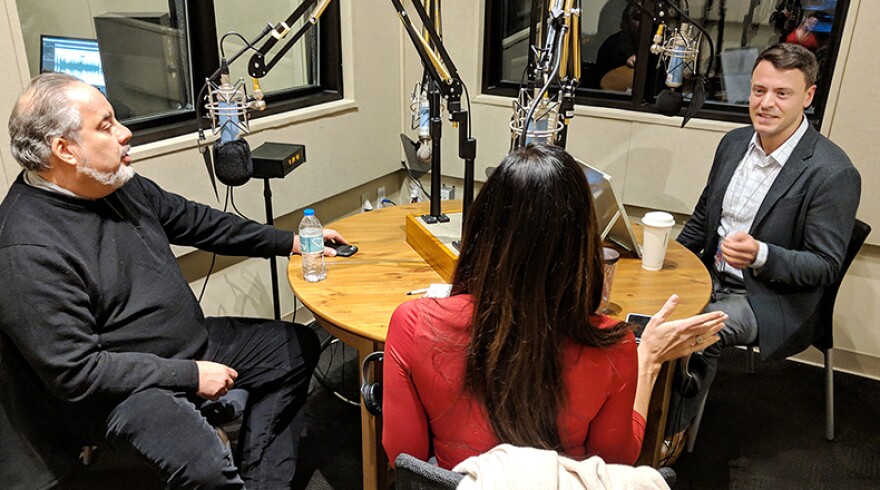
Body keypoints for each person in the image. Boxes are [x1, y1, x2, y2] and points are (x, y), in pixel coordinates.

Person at [0, 72, 348, 489]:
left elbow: (201, 223)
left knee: (293, 349)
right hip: (121, 388)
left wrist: (290, 241)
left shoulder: (115, 185)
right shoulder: (25, 248)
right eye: (106, 126)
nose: (125, 134)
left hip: (186, 345)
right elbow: (78, 373)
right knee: (204, 469)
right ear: (65, 150)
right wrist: (190, 375)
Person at [381, 143, 727, 470]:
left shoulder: (411, 324)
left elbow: (403, 455)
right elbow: (615, 462)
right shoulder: (612, 347)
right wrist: (648, 361)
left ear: (479, 233)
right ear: (582, 246)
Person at [667, 43, 861, 441]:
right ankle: (632, 422)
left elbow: (824, 266)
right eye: (758, 90)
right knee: (641, 313)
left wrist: (761, 255)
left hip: (770, 297)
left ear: (808, 97)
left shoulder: (832, 172)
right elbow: (705, 215)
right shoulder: (734, 143)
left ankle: (666, 438)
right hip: (711, 274)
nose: (765, 103)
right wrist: (671, 265)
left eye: (781, 93)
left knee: (694, 335)